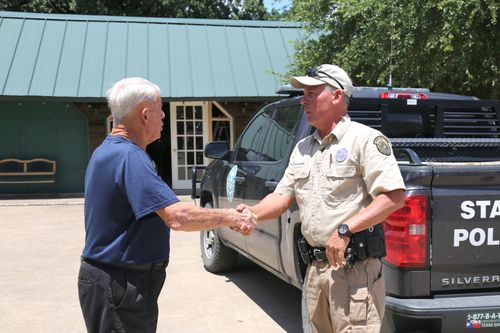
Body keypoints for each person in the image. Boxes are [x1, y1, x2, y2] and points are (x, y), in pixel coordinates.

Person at [236, 64, 406, 333]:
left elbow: (393, 197)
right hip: (315, 270)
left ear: (337, 96)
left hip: (354, 273)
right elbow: (282, 196)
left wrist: (345, 229)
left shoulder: (365, 140)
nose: (303, 100)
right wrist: (252, 214)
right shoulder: (304, 148)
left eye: (312, 93)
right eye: (303, 93)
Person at [78, 77, 255, 333]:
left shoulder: (106, 151)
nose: (164, 115)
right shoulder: (130, 157)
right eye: (161, 108)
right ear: (145, 114)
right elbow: (178, 216)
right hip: (119, 285)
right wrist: (232, 217)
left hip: (111, 281)